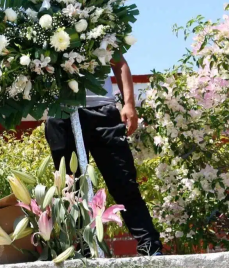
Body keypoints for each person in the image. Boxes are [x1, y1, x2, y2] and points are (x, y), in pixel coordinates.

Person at [44, 56, 163, 256]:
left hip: (102, 110)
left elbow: (119, 63)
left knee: (124, 182)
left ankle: (150, 247)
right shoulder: (40, 28)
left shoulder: (100, 27)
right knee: (71, 189)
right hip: (61, 114)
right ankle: (85, 250)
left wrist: (129, 105)